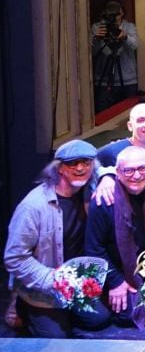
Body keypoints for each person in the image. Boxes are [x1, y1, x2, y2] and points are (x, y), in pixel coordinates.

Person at [4, 140, 111, 337]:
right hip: (44, 286)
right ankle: (20, 305)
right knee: (58, 338)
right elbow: (14, 258)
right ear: (59, 168)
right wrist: (52, 279)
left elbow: (108, 169)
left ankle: (64, 311)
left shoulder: (89, 190)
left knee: (99, 320)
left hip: (76, 282)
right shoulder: (34, 206)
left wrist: (107, 177)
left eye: (86, 163)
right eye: (72, 163)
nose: (80, 168)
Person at [84, 146, 145, 325]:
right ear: (118, 173)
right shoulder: (104, 201)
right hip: (122, 266)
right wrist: (116, 282)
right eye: (128, 170)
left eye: (142, 169)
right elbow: (94, 248)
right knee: (128, 317)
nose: (136, 176)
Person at [91, 1, 139, 112]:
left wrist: (125, 37)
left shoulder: (128, 27)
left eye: (117, 13)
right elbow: (92, 53)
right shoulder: (98, 28)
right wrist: (96, 39)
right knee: (103, 113)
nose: (115, 17)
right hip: (104, 80)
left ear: (122, 12)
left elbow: (135, 45)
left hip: (127, 80)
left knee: (129, 112)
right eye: (111, 14)